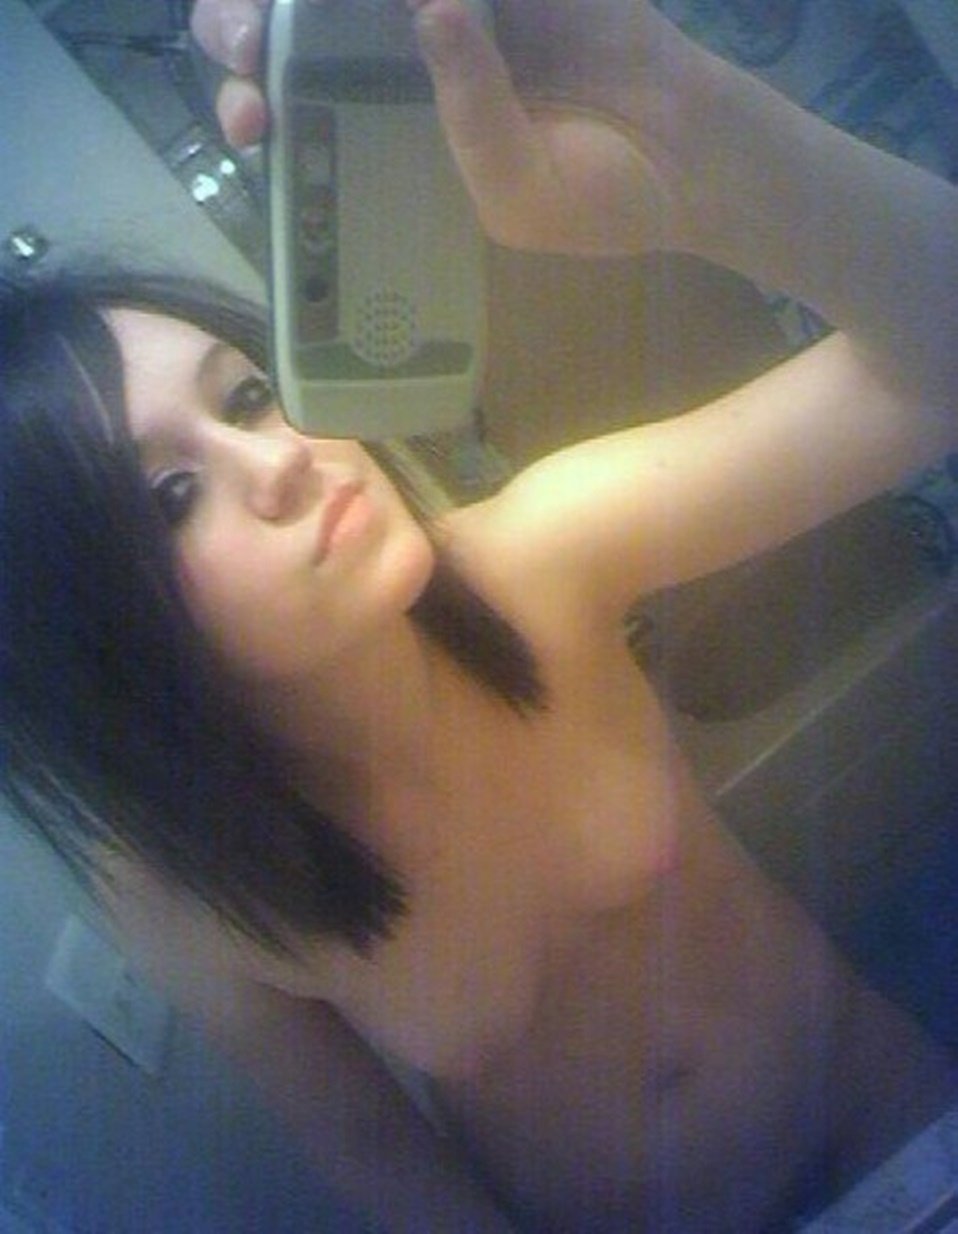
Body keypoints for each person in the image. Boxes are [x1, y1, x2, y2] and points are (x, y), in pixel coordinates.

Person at [3, 0, 958, 1229]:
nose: (284, 457)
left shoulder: (535, 559)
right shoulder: (180, 885)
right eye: (173, 496)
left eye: (244, 396)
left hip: (888, 1118)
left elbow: (935, 366)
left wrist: (689, 120)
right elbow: (376, 1156)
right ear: (95, 640)